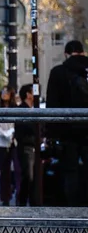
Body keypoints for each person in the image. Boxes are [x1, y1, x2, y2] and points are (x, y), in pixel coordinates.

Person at [46, 40, 88, 206]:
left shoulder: (58, 72)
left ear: (66, 53)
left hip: (67, 131)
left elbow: (52, 105)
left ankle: (72, 209)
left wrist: (51, 133)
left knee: (70, 171)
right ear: (82, 52)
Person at [0, 86, 16, 206]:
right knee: (4, 172)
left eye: (7, 92)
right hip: (1, 142)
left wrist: (12, 132)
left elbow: (16, 124)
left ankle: (13, 191)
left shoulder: (14, 108)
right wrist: (7, 134)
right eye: (3, 91)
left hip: (13, 143)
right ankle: (5, 197)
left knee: (16, 170)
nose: (4, 94)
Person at [15, 84, 37, 206]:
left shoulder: (31, 109)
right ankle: (23, 202)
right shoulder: (22, 109)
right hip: (26, 146)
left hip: (30, 146)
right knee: (28, 176)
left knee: (30, 176)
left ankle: (27, 201)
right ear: (28, 94)